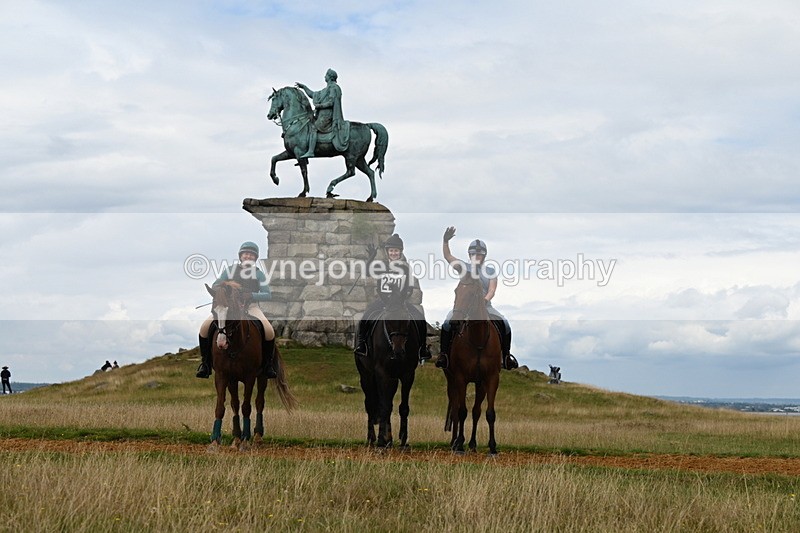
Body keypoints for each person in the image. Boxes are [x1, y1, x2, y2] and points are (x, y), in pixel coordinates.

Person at [436, 226, 518, 370]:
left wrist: (484, 300)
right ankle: (444, 355)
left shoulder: (490, 271)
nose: (477, 257)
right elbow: (448, 257)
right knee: (447, 324)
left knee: (505, 324)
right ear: (470, 255)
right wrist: (445, 242)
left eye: (479, 254)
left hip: (486, 306)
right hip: (464, 307)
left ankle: (506, 357)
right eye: (474, 254)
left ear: (484, 256)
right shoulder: (464, 267)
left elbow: (492, 290)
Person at [196, 241, 276, 379]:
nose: (248, 256)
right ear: (240, 256)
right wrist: (228, 286)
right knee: (204, 328)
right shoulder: (230, 270)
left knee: (269, 331)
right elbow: (215, 285)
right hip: (229, 308)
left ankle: (268, 365)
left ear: (255, 258)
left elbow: (267, 294)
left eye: (251, 255)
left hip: (251, 307)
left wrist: (251, 295)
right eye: (245, 254)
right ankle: (206, 364)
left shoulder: (259, 274)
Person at [353, 234, 431, 361]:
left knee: (420, 318)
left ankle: (422, 349)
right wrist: (370, 259)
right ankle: (362, 344)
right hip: (383, 301)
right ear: (387, 252)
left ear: (400, 252)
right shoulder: (381, 266)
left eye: (396, 250)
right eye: (391, 251)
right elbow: (367, 272)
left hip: (400, 302)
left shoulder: (406, 268)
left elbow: (409, 288)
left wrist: (401, 298)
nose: (393, 253)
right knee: (365, 317)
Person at [295, 68, 350, 157]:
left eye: (326, 75)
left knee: (313, 128)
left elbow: (331, 102)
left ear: (330, 77)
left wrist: (320, 106)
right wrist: (304, 87)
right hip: (321, 115)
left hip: (327, 116)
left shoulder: (334, 88)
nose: (325, 77)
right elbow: (312, 94)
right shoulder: (326, 89)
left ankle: (311, 151)